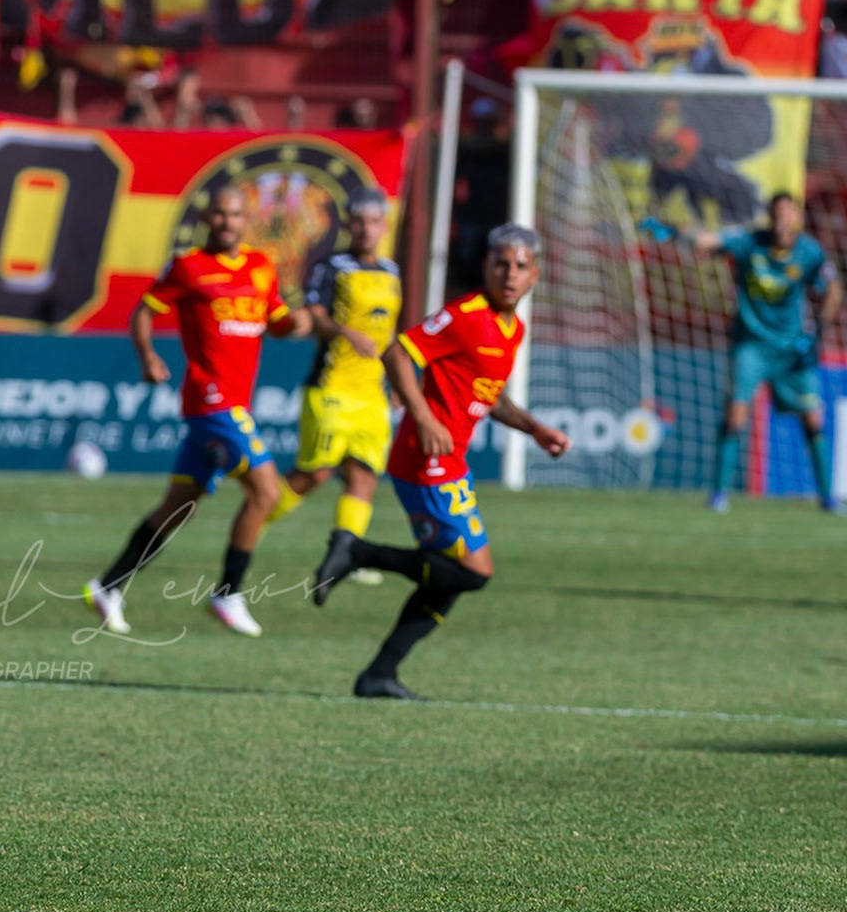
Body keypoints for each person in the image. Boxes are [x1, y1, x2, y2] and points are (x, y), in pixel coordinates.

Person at [312, 225, 572, 700]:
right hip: (426, 460)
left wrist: (535, 429)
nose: (508, 274)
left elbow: (488, 396)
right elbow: (398, 353)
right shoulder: (465, 315)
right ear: (486, 268)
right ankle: (356, 551)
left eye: (519, 267)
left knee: (445, 581)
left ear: (534, 275)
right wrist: (423, 415)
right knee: (474, 572)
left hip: (450, 461)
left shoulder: (513, 329)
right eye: (500, 264)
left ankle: (378, 676)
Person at [82, 187, 311, 639]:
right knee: (265, 494)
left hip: (234, 403)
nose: (226, 222)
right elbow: (143, 312)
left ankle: (108, 585)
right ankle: (228, 592)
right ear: (209, 217)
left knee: (179, 507)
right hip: (211, 401)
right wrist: (148, 357)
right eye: (220, 214)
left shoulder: (261, 267)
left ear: (247, 220)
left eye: (235, 214)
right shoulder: (189, 267)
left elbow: (278, 321)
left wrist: (298, 323)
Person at [267, 190, 401, 591]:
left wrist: (396, 382)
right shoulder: (331, 266)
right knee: (315, 475)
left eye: (374, 221)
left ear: (384, 226)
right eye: (359, 222)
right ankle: (254, 520)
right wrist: (345, 332)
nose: (366, 229)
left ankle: (348, 554)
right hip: (332, 386)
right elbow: (317, 316)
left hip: (372, 392)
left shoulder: (392, 271)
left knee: (364, 477)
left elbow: (389, 334)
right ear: (348, 224)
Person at [686, 193, 846, 513]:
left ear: (798, 217)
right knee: (735, 413)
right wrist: (675, 231)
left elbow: (834, 289)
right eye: (777, 214)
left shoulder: (810, 252)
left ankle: (828, 497)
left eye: (789, 213)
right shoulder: (750, 243)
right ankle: (718, 494)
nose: (783, 220)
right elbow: (707, 240)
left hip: (792, 348)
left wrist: (818, 333)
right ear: (770, 218)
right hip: (752, 345)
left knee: (813, 418)